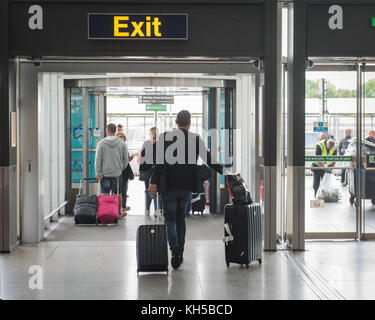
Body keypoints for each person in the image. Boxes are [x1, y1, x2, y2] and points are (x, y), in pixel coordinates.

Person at [148, 110, 223, 270]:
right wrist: (224, 171)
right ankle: (180, 251)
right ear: (189, 123)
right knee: (181, 219)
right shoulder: (195, 138)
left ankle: (173, 247)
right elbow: (208, 158)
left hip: (168, 186)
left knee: (169, 219)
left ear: (176, 122)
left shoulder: (165, 138)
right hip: (187, 186)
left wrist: (153, 182)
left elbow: (159, 163)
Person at [95, 123, 129, 213]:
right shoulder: (122, 143)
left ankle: (105, 213)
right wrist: (121, 168)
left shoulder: (101, 143)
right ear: (115, 131)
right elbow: (126, 159)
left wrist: (98, 172)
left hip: (104, 174)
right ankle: (116, 213)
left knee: (104, 196)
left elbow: (98, 159)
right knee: (117, 195)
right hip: (117, 174)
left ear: (107, 131)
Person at [139, 127, 161, 217]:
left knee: (147, 190)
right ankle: (156, 210)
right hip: (157, 171)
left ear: (150, 134)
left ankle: (147, 210)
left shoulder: (146, 143)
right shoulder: (161, 144)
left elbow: (142, 158)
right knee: (156, 191)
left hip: (147, 171)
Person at [116, 132, 135, 216]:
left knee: (124, 188)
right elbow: (125, 160)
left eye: (124, 137)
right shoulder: (121, 147)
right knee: (122, 189)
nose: (124, 139)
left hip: (123, 170)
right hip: (123, 170)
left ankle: (123, 206)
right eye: (122, 137)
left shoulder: (121, 146)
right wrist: (130, 158)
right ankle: (121, 207)